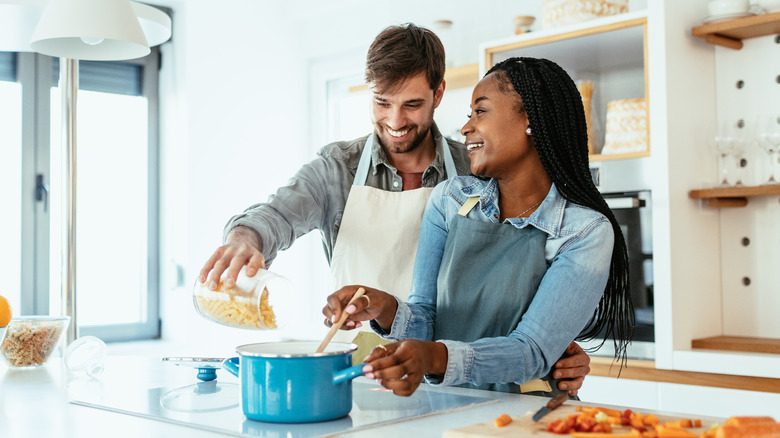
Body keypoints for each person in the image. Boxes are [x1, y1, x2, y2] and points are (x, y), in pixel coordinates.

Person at [198, 24, 591, 395]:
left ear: (438, 95)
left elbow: (520, 276)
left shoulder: (478, 170)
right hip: (360, 371)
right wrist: (244, 241)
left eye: (412, 104)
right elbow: (276, 216)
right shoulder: (337, 167)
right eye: (382, 103)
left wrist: (546, 346)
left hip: (459, 375)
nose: (395, 121)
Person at [322, 56, 634, 397]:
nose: (467, 127)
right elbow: (427, 318)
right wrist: (384, 308)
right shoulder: (451, 201)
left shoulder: (582, 232)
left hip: (527, 417)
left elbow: (531, 351)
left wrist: (435, 357)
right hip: (440, 404)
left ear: (530, 118)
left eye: (480, 111)